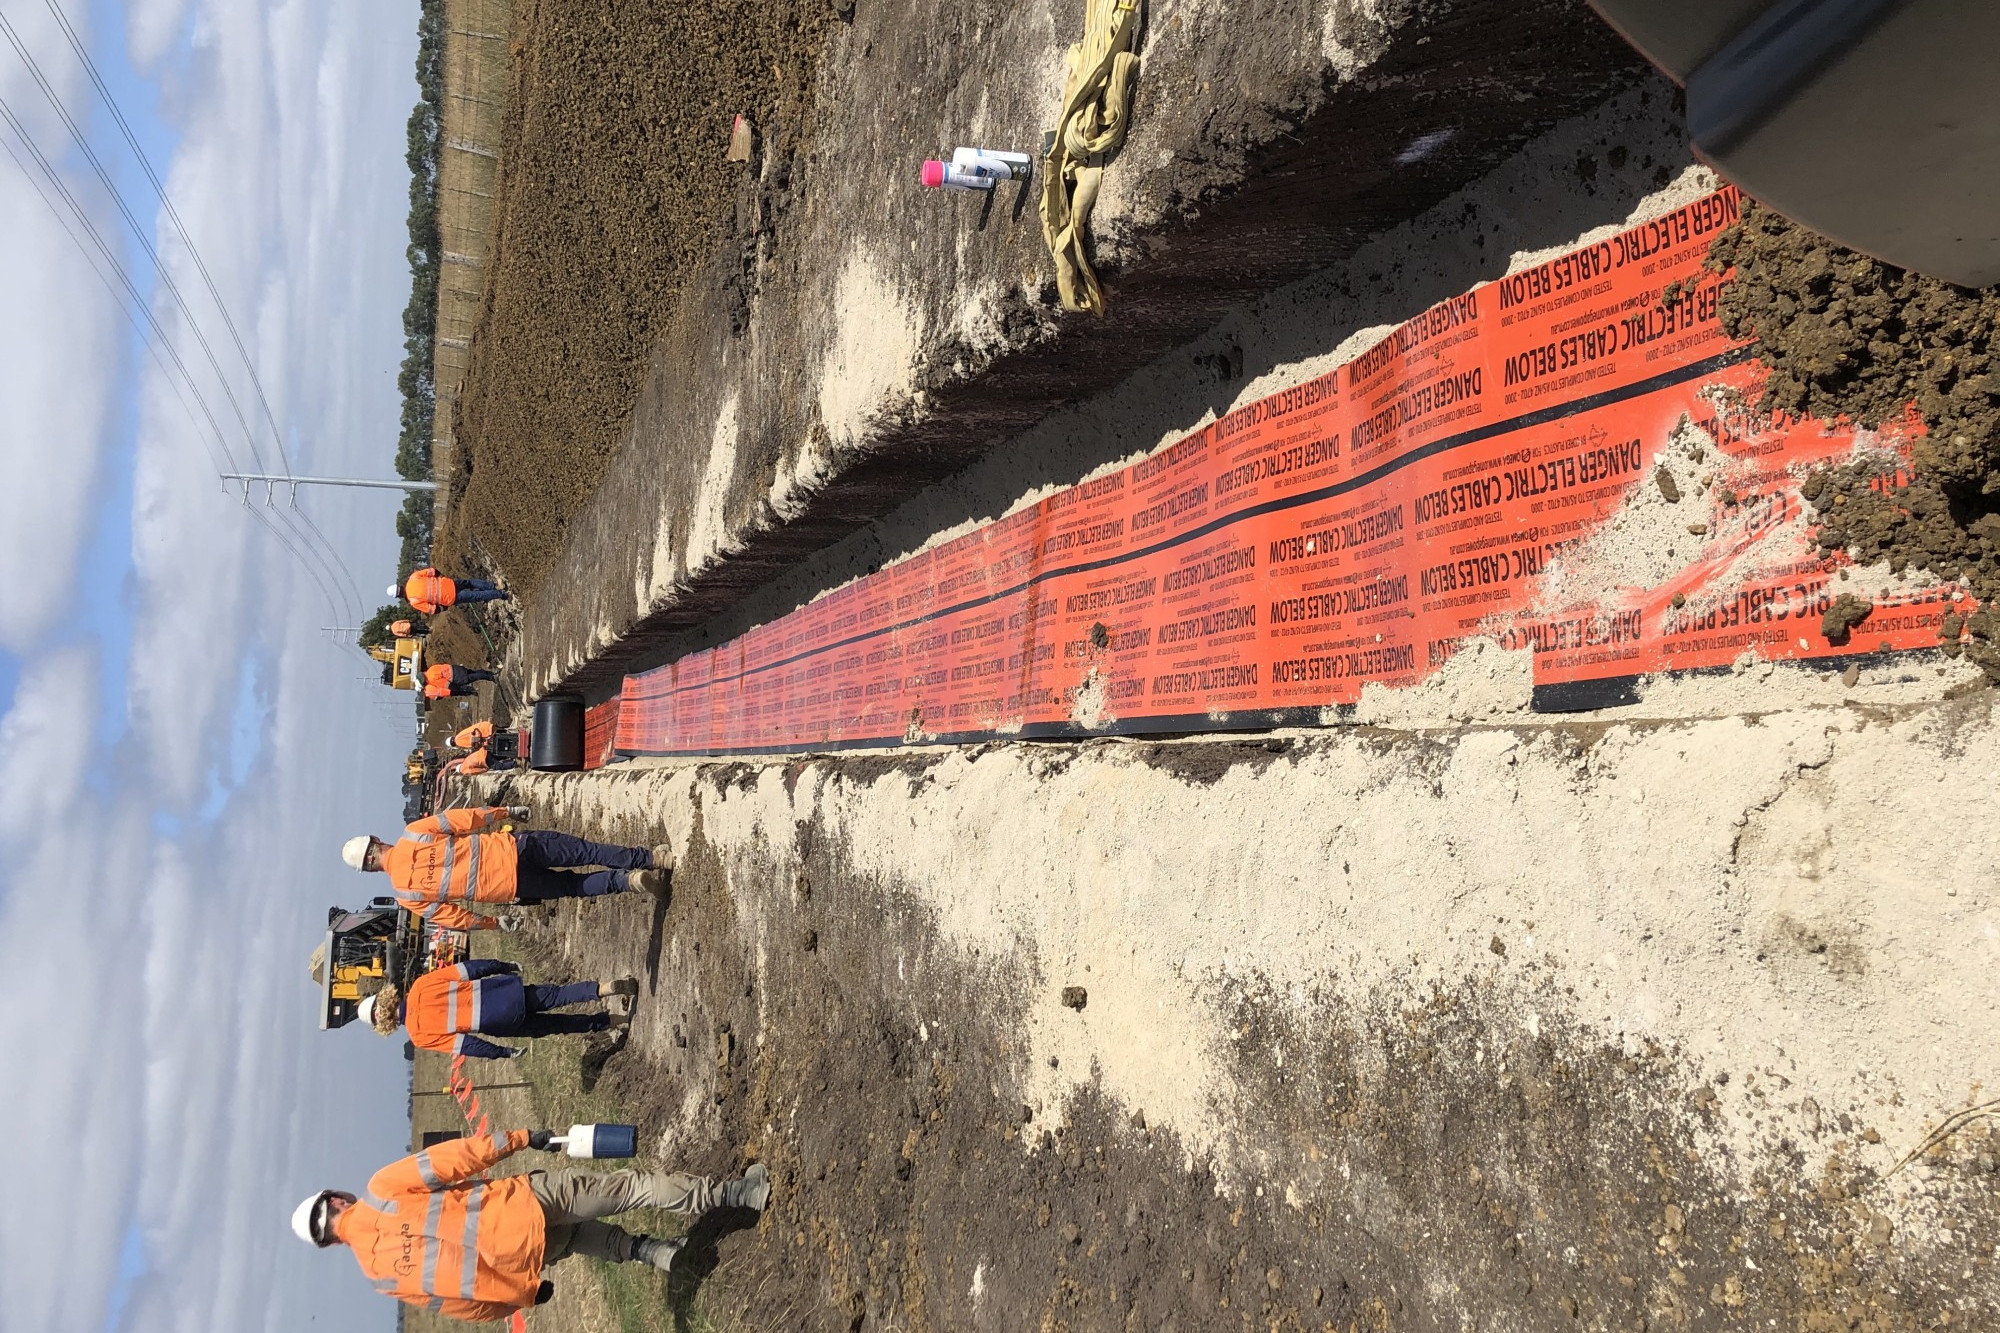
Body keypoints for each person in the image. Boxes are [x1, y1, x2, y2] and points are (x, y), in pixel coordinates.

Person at [290, 1129, 772, 1322]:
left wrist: (517, 1297)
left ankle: (658, 1254)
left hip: (521, 1262)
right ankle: (734, 1195)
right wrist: (518, 1138)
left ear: (329, 1243)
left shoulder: (379, 1278)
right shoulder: (381, 1189)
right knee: (626, 1189)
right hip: (523, 1204)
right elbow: (453, 1159)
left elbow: (457, 1304)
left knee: (581, 1238)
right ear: (336, 1200)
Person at [341, 807, 669, 931]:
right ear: (376, 840)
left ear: (370, 871)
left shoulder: (407, 895)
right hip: (513, 847)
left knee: (574, 887)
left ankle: (628, 882)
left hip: (512, 886)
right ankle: (652, 859)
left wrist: (493, 923)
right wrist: (504, 812)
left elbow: (455, 918)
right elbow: (464, 819)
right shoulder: (414, 832)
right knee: (586, 850)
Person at [361, 960, 637, 1059]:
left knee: (558, 1025)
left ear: (384, 1025)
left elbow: (467, 1045)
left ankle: (611, 1020)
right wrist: (502, 965)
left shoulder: (420, 1037)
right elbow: (470, 969)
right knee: (558, 995)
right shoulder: (421, 985)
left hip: (502, 1022)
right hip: (506, 993)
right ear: (387, 998)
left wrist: (502, 1052)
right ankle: (605, 988)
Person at [399, 567, 508, 616]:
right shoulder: (413, 577)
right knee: (470, 583)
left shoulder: (413, 601)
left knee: (476, 596)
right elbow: (433, 571)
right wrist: (442, 578)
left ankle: (501, 594)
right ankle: (493, 586)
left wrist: (443, 607)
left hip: (449, 597)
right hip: (449, 583)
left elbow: (433, 610)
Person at [424, 663, 496, 700]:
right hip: (454, 668)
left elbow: (447, 685)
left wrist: (464, 690)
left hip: (455, 677)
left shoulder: (432, 680)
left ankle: (491, 677)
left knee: (471, 677)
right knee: (471, 672)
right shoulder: (430, 670)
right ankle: (490, 673)